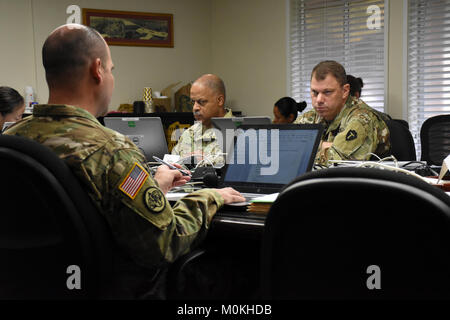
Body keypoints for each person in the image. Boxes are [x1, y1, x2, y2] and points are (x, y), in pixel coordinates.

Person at [4, 24, 245, 299]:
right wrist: (210, 196)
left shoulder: (10, 139)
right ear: (97, 70)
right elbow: (163, 242)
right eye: (111, 69)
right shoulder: (111, 151)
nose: (111, 77)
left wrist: (153, 188)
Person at [294, 60, 390, 166]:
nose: (319, 100)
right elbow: (284, 151)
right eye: (315, 92)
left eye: (327, 92)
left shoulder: (362, 119)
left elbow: (335, 162)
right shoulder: (311, 116)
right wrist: (324, 146)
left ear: (345, 91)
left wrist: (307, 146)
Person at [171, 74, 233, 167]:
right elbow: (171, 164)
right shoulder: (189, 133)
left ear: (220, 100)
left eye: (202, 102)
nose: (195, 108)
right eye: (193, 102)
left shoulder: (239, 132)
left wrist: (196, 160)